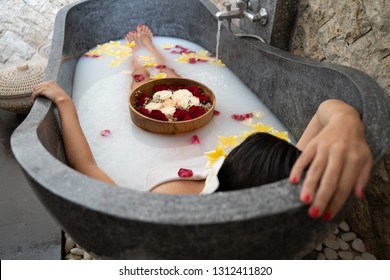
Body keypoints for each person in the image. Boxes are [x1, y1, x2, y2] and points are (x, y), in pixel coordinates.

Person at [32, 25, 373, 221]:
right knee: (170, 81)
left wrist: (64, 101)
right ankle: (148, 46)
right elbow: (329, 108)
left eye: (231, 153)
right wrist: (347, 123)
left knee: (144, 84)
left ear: (225, 172)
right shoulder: (284, 181)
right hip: (191, 145)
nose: (227, 151)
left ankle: (141, 53)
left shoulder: (169, 206)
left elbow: (87, 165)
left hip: (164, 145)